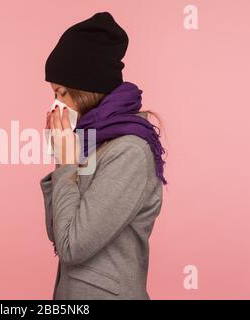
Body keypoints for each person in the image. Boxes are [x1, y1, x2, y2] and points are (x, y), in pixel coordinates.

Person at [40, 11, 167, 300]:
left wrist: (67, 164)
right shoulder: (88, 143)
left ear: (85, 89)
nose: (56, 104)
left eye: (61, 93)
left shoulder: (130, 151)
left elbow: (73, 246)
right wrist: (62, 157)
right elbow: (59, 232)